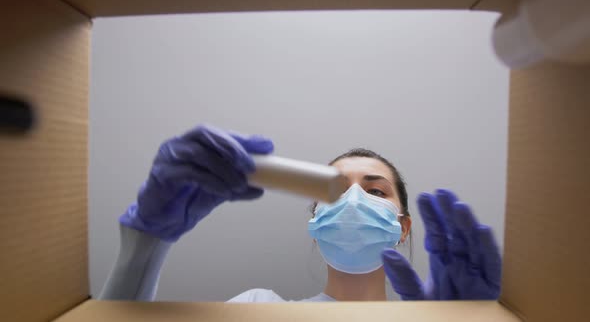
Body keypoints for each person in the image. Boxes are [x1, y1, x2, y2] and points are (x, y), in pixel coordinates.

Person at [100, 125, 501, 302]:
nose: (355, 201)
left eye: (375, 190)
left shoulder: (432, 321)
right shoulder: (259, 309)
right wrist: (145, 245)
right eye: (338, 190)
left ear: (403, 227)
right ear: (315, 222)